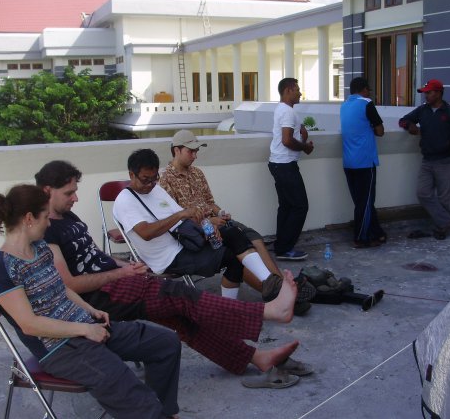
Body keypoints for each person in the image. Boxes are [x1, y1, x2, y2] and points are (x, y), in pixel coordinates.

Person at [35, 160, 309, 377]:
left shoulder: (67, 216)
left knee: (182, 321)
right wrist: (120, 273)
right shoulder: (46, 232)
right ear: (47, 191)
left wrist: (122, 263)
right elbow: (68, 284)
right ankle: (269, 310)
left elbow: (93, 257)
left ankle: (255, 357)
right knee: (181, 296)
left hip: (117, 279)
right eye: (69, 193)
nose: (76, 198)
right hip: (103, 296)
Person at [0, 184, 181, 419]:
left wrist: (90, 310)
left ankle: (164, 412)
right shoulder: (2, 267)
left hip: (86, 326)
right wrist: (85, 329)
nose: (49, 223)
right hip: (59, 348)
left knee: (165, 342)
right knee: (124, 384)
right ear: (29, 218)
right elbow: (29, 324)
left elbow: (61, 287)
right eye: (46, 217)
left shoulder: (40, 248)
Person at [114, 148, 279, 301]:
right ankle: (232, 306)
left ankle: (267, 280)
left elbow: (188, 219)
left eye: (154, 178)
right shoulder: (125, 200)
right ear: (132, 175)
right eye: (145, 180)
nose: (150, 184)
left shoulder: (156, 190)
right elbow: (146, 233)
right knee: (232, 258)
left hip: (188, 240)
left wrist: (208, 228)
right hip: (169, 258)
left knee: (233, 233)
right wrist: (180, 214)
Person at [159, 129, 282, 297]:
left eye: (196, 151)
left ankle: (276, 283)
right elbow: (178, 219)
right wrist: (209, 221)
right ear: (176, 150)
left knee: (255, 239)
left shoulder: (197, 173)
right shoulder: (165, 179)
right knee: (237, 243)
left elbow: (210, 202)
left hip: (216, 221)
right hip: (199, 230)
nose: (195, 156)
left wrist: (220, 212)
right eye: (191, 151)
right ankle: (277, 292)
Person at [399, 79, 450, 240]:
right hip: (427, 159)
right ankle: (448, 221)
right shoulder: (422, 111)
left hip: (446, 160)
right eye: (425, 93)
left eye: (429, 92)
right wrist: (409, 126)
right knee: (423, 193)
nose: (426, 96)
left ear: (438, 93)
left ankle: (441, 227)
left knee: (444, 197)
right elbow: (403, 120)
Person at [268, 77, 314, 260]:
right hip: (285, 165)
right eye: (297, 89)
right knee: (300, 206)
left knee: (286, 206)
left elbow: (288, 135)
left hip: (278, 163)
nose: (300, 93)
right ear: (288, 90)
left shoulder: (282, 109)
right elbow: (286, 140)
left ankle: (281, 245)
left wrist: (302, 136)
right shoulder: (287, 112)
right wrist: (306, 147)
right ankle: (285, 249)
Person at [340, 77, 386, 248]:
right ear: (364, 90)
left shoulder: (344, 106)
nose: (370, 94)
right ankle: (361, 238)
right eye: (369, 90)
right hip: (365, 162)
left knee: (363, 202)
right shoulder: (366, 103)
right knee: (365, 203)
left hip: (349, 162)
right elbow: (380, 131)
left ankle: (378, 233)